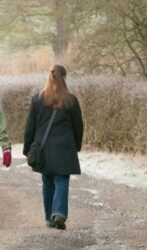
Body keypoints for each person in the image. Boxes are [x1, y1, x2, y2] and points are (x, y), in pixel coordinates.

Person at [23, 64, 84, 230]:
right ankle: (59, 213)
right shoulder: (71, 100)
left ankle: (50, 218)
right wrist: (76, 146)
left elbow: (30, 127)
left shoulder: (37, 99)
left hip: (44, 147)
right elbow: (79, 126)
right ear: (63, 78)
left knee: (47, 181)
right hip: (64, 147)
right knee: (62, 180)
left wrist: (27, 149)